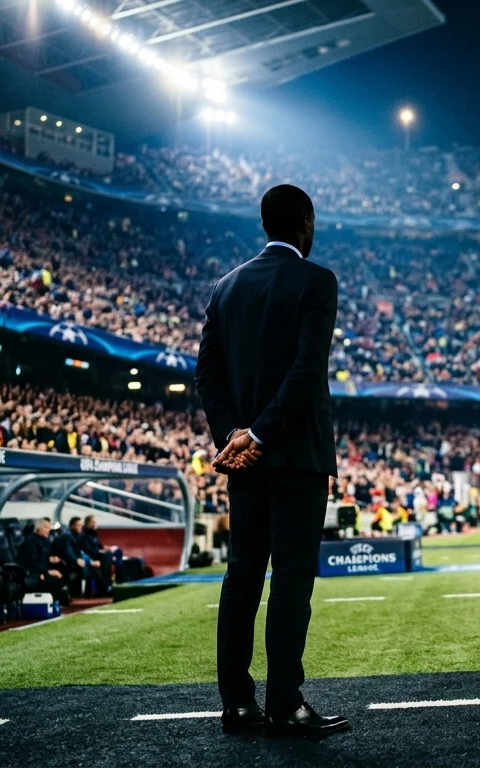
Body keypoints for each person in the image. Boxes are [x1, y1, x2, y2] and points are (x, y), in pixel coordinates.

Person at [195, 184, 349, 738]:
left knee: (241, 579)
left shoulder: (225, 287)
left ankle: (237, 703)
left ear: (264, 223)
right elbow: (308, 369)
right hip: (298, 455)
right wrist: (260, 433)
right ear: (305, 221)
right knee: (289, 582)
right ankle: (285, 702)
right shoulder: (317, 280)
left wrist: (235, 437)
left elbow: (206, 374)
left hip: (245, 463)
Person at [18, 518, 70, 605]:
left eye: (49, 528)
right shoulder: (30, 542)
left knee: (64, 572)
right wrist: (47, 572)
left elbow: (43, 558)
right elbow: (31, 562)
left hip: (43, 569)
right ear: (37, 528)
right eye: (45, 528)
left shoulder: (45, 540)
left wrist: (51, 559)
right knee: (56, 583)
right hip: (33, 572)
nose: (48, 530)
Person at [77, 515, 114, 596]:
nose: (94, 524)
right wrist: (96, 556)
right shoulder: (84, 536)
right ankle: (105, 588)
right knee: (105, 559)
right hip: (91, 558)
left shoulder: (94, 535)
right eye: (92, 522)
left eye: (95, 522)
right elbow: (88, 550)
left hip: (98, 557)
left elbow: (99, 546)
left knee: (110, 554)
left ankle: (109, 585)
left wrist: (106, 549)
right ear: (87, 524)